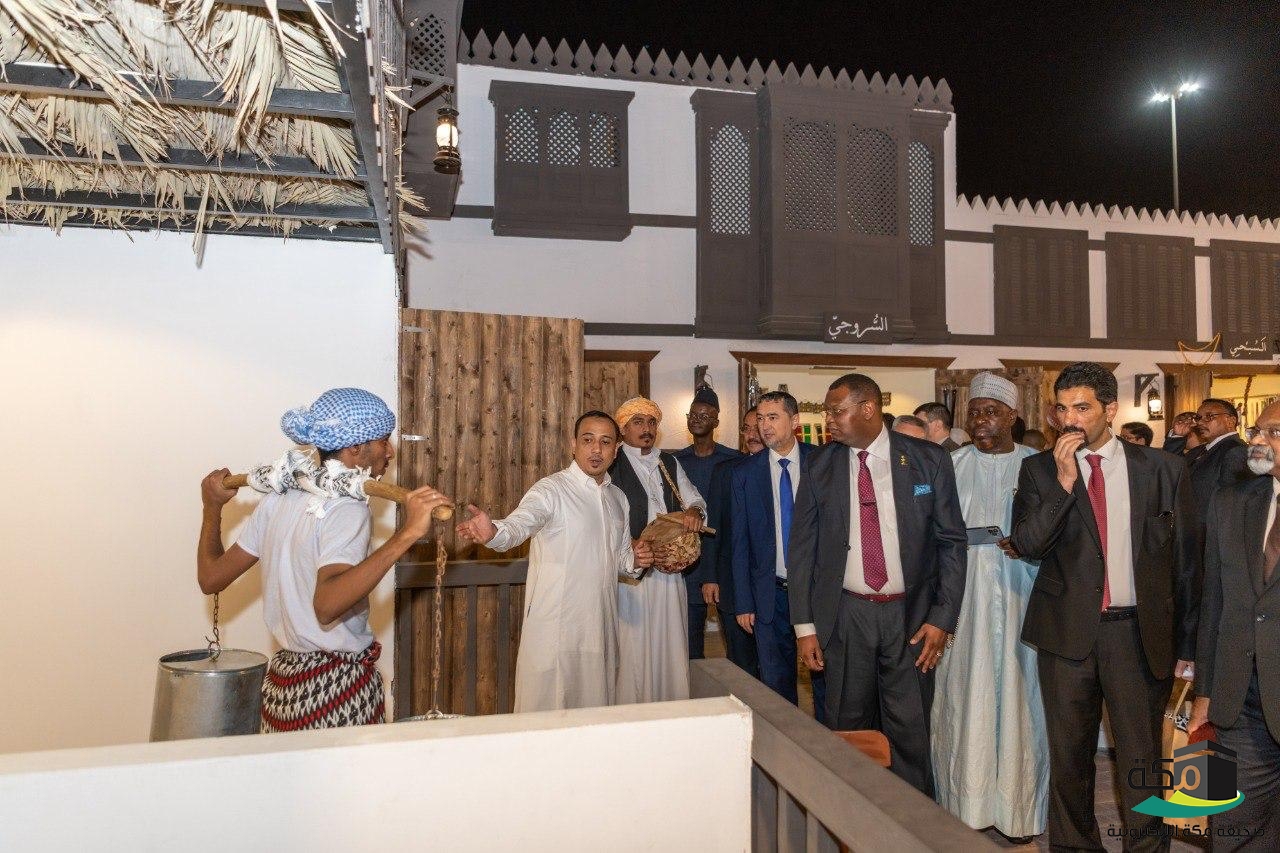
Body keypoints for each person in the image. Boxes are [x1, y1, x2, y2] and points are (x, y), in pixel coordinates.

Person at [1011, 362, 1197, 852]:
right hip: (1066, 634)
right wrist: (1064, 482)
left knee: (1141, 761)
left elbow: (1186, 565)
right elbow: (1028, 543)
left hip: (1137, 635)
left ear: (1110, 410)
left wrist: (1188, 644)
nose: (1069, 420)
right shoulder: (1038, 469)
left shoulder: (1164, 469)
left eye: (1082, 408)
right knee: (1069, 759)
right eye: (1062, 409)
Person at [197, 388, 449, 731]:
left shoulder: (279, 499)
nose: (390, 451)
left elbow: (211, 577)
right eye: (383, 441)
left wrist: (212, 506)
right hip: (335, 688)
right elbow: (327, 605)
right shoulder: (347, 509)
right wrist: (406, 535)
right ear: (355, 447)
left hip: (283, 690)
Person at [790, 374, 967, 794]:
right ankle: (849, 816)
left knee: (909, 732)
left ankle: (910, 820)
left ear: (868, 409)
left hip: (912, 619)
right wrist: (805, 627)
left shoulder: (927, 459)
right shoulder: (819, 465)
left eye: (837, 411)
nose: (829, 420)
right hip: (845, 617)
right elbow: (802, 550)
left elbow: (951, 543)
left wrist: (942, 619)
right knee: (847, 731)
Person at [456, 411, 653, 712]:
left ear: (616, 450)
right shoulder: (551, 490)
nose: (596, 449)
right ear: (573, 444)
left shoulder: (618, 499)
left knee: (593, 717)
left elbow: (621, 560)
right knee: (547, 716)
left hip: (601, 630)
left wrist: (636, 559)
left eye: (605, 442)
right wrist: (494, 531)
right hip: (556, 633)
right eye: (588, 440)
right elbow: (520, 524)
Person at [931, 373, 1047, 841]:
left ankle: (1019, 813)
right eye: (974, 412)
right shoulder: (950, 465)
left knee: (1022, 701)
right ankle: (966, 809)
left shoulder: (1037, 467)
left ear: (1013, 417)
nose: (981, 421)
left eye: (991, 412)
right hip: (964, 602)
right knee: (967, 695)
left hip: (1024, 594)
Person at [1190, 404, 1280, 849]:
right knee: (1234, 831)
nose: (1258, 441)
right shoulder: (1231, 501)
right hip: (1242, 701)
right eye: (1257, 430)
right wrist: (1204, 690)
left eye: (1274, 432)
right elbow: (1214, 602)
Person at [730, 391, 824, 719]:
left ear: (794, 421)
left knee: (824, 680)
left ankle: (828, 745)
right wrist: (744, 601)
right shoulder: (745, 473)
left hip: (817, 593)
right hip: (770, 595)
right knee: (776, 684)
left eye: (773, 417)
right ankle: (785, 745)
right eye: (760, 418)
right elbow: (739, 542)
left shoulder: (822, 462)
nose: (764, 426)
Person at [610, 397, 706, 703]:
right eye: (638, 422)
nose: (647, 428)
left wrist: (694, 512)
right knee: (633, 646)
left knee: (670, 641)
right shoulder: (612, 463)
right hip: (630, 574)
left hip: (668, 572)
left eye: (652, 422)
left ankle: (670, 708)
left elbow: (694, 499)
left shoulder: (669, 462)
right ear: (623, 429)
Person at [673, 387, 742, 660]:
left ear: (716, 421)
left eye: (705, 415)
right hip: (689, 559)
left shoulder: (734, 460)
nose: (698, 419)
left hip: (725, 558)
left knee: (737, 641)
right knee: (690, 644)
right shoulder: (676, 462)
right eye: (693, 414)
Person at [695, 407, 761, 677]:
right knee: (741, 662)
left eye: (758, 427)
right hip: (732, 583)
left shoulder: (788, 470)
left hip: (776, 587)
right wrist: (710, 576)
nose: (752, 434)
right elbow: (715, 527)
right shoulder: (726, 471)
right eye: (747, 428)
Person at [1187, 400, 1252, 548]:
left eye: (1209, 416)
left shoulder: (1237, 451)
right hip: (1193, 532)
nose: (1200, 422)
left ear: (1230, 421)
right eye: (1198, 418)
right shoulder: (1198, 451)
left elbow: (1232, 506)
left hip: (1211, 536)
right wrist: (1176, 438)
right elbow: (1171, 470)